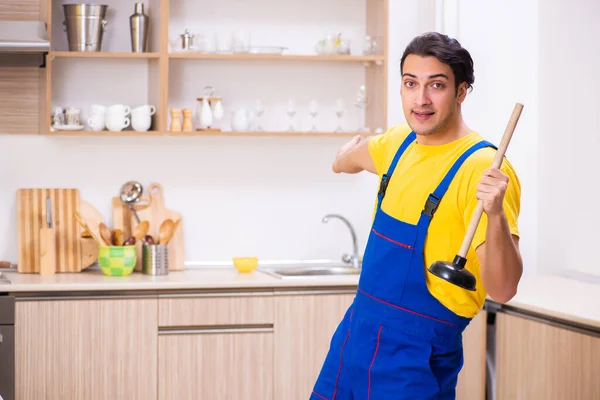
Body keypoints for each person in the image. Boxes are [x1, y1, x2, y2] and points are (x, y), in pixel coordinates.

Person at [310, 32, 522, 400]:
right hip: (354, 339)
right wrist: (342, 158)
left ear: (461, 92)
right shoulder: (398, 143)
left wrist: (495, 215)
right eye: (411, 84)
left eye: (436, 85)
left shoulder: (482, 170)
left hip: (415, 360)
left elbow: (503, 289)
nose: (420, 100)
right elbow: (348, 159)